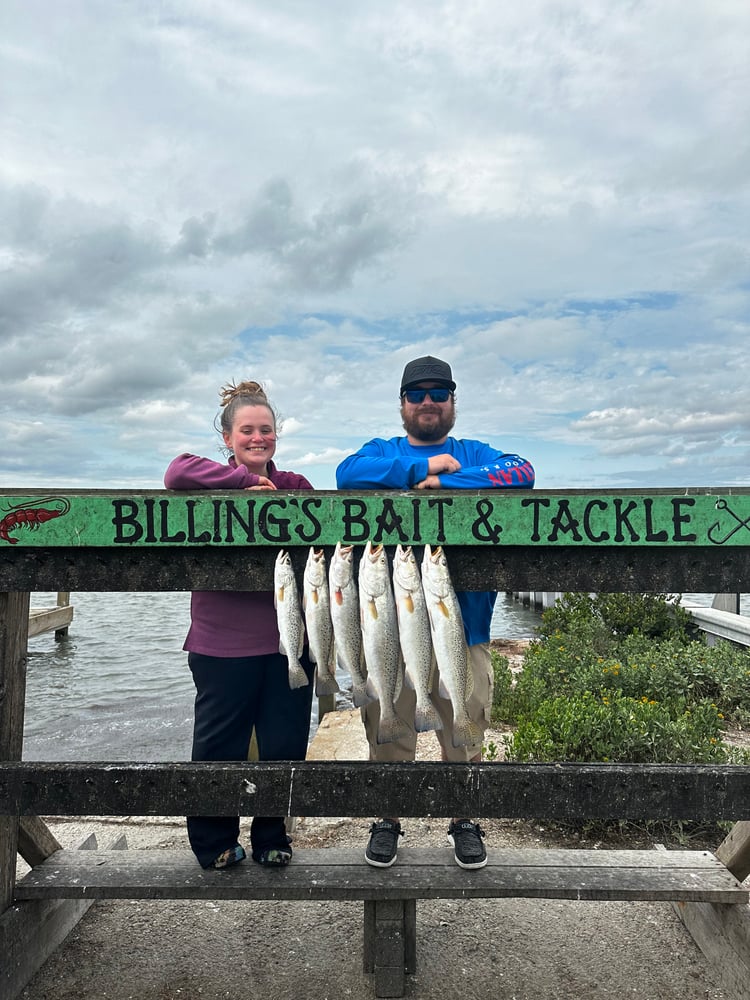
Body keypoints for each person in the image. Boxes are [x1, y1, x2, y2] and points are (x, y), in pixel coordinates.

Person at [336, 355, 535, 870]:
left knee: (466, 728)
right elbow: (346, 475)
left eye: (439, 392)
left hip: (463, 627)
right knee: (387, 725)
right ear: (402, 404)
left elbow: (523, 472)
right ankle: (387, 817)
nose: (428, 402)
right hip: (390, 633)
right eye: (417, 393)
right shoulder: (383, 452)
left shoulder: (476, 453)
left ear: (453, 400)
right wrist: (421, 467)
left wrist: (448, 483)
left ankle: (464, 818)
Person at [164, 380, 315, 869]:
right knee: (216, 747)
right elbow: (175, 472)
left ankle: (273, 834)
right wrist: (245, 484)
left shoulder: (294, 487)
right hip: (219, 642)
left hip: (288, 644)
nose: (258, 438)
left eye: (266, 430)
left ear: (277, 436)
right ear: (227, 438)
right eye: (246, 430)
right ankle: (214, 842)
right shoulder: (208, 481)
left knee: (284, 744)